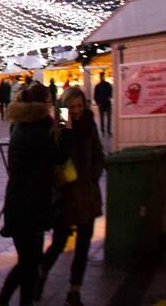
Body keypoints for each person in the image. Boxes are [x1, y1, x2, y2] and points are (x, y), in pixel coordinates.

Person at [0, 83, 69, 306]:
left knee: (27, 260)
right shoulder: (41, 128)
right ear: (43, 104)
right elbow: (59, 156)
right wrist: (64, 123)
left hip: (18, 200)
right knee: (31, 261)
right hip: (32, 203)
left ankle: (6, 298)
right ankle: (14, 299)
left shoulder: (19, 125)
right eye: (49, 101)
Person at [39, 87, 104, 306]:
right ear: (65, 106)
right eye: (72, 107)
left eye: (80, 106)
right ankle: (41, 273)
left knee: (83, 245)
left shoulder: (89, 123)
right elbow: (57, 157)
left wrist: (93, 176)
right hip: (66, 194)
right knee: (59, 242)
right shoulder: (60, 124)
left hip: (87, 193)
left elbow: (98, 153)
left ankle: (74, 290)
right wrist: (66, 127)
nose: (77, 111)